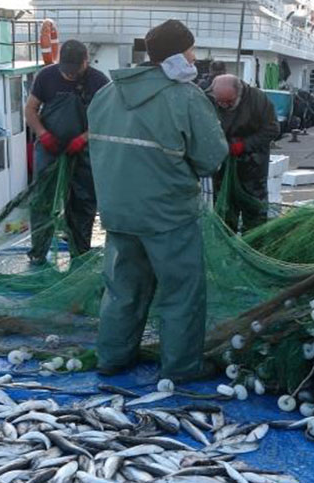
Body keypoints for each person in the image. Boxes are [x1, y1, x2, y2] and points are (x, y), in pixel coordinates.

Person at [87, 19, 228, 381]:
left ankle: (112, 357)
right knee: (181, 293)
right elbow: (211, 158)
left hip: (117, 214)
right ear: (179, 55)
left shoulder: (106, 94)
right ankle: (183, 368)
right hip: (168, 215)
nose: (194, 58)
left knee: (123, 290)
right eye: (192, 50)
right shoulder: (185, 96)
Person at [24, 39, 110, 263]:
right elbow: (31, 110)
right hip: (49, 147)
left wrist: (84, 138)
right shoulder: (46, 76)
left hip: (84, 151)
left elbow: (107, 119)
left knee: (82, 201)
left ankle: (79, 252)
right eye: (66, 70)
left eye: (75, 71)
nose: (70, 75)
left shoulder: (99, 82)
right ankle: (38, 252)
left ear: (86, 62)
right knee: (43, 198)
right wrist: (43, 134)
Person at [209, 74, 279, 233]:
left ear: (239, 93)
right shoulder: (208, 98)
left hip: (252, 167)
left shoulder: (258, 99)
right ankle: (226, 250)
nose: (224, 105)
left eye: (229, 102)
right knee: (224, 213)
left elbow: (272, 129)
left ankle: (255, 247)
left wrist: (244, 145)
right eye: (220, 102)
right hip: (223, 168)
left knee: (255, 214)